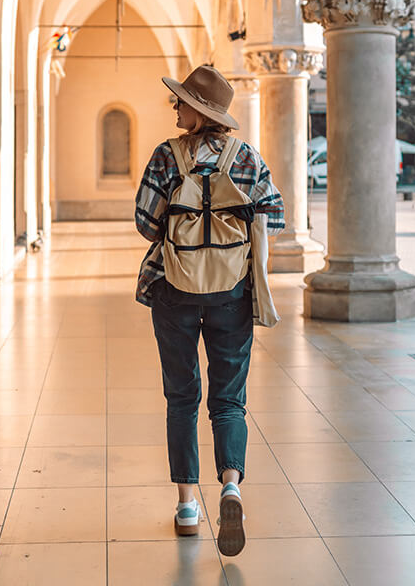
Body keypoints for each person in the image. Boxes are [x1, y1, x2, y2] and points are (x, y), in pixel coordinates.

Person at [134, 64, 285, 557]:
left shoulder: (165, 156)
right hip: (232, 292)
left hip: (174, 289)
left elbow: (144, 221)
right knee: (228, 398)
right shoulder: (246, 157)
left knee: (181, 397)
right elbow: (275, 215)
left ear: (198, 112)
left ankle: (186, 506)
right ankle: (231, 487)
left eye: (180, 101)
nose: (174, 107)